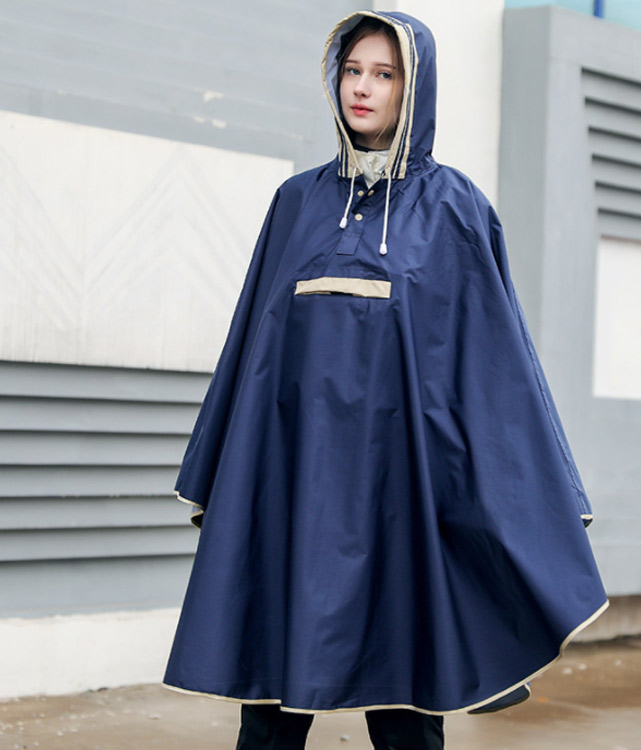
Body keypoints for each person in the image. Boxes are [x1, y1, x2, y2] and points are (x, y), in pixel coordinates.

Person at [163, 10, 608, 750]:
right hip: (294, 484)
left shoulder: (455, 209)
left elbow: (490, 365)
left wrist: (520, 492)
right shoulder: (296, 203)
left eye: (384, 73)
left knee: (404, 695)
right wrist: (228, 464)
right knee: (268, 700)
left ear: (414, 87)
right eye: (352, 70)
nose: (362, 88)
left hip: (400, 491)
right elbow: (252, 348)